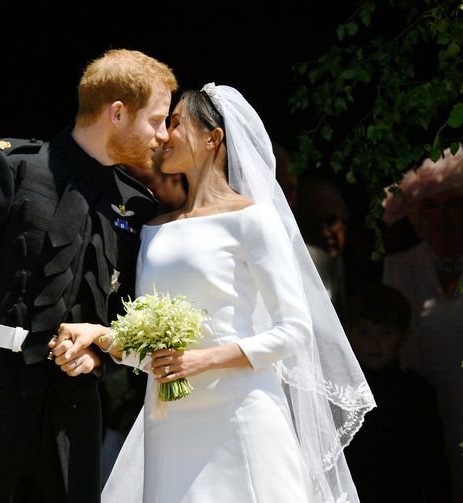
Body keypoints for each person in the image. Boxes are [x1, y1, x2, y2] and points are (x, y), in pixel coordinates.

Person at [50, 83, 375, 502]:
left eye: (176, 123)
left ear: (213, 138)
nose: (164, 134)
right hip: (169, 422)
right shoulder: (154, 229)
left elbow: (295, 331)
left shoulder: (252, 220)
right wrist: (101, 335)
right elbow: (152, 351)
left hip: (241, 413)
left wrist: (203, 359)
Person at [0, 48, 178, 503]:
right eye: (157, 120)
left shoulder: (137, 206)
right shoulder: (8, 168)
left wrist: (99, 358)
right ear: (118, 112)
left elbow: (122, 315)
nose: (164, 136)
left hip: (70, 414)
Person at [381, 135, 463, 503]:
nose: (443, 216)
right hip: (421, 410)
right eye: (432, 206)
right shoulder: (398, 267)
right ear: (419, 213)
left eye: (453, 205)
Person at [342, 282, 452, 503]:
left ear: (403, 337)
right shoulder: (339, 393)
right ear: (349, 334)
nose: (375, 342)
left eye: (385, 333)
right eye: (364, 332)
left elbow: (435, 466)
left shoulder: (417, 393)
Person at [295, 174, 351, 318]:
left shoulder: (360, 267)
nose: (325, 233)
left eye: (331, 221)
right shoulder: (293, 275)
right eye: (313, 223)